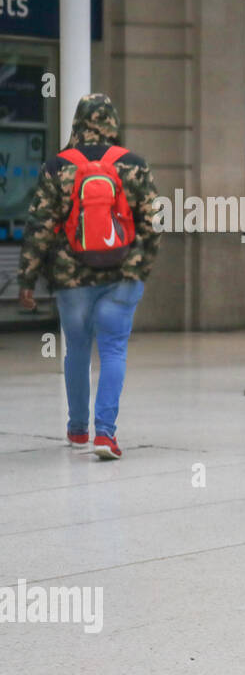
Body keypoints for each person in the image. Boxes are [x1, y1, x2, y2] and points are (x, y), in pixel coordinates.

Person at [16, 93, 160, 460]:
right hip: (121, 276)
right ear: (111, 122)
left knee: (77, 348)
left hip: (71, 279)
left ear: (78, 122)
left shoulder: (56, 167)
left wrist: (27, 281)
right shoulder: (134, 165)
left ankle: (78, 428)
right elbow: (152, 222)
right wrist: (138, 267)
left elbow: (38, 228)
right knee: (113, 349)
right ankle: (105, 435)